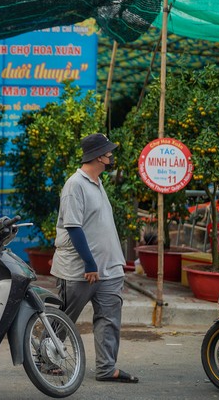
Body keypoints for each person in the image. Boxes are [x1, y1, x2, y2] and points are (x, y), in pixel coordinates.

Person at [50, 133, 139, 384]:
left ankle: (106, 368)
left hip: (109, 268)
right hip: (80, 270)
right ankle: (48, 357)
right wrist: (90, 263)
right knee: (64, 318)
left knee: (109, 319)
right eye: (109, 152)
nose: (112, 156)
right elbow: (74, 227)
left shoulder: (97, 182)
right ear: (99, 156)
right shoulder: (74, 185)